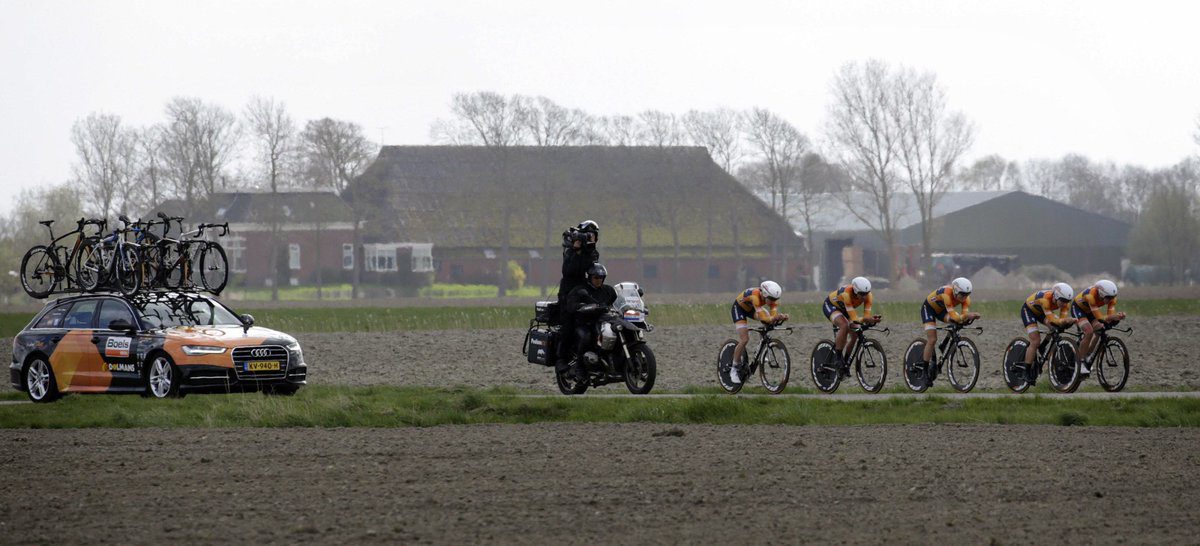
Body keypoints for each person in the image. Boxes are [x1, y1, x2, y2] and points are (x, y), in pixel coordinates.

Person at [555, 220, 600, 365]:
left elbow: (592, 269)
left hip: (584, 292)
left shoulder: (592, 253)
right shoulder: (570, 252)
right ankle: (562, 360)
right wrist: (577, 250)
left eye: (593, 235)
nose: (590, 238)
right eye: (588, 235)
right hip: (568, 294)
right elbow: (569, 271)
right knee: (568, 326)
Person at [564, 263, 617, 381]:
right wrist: (582, 307)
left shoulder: (608, 290)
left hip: (603, 320)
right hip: (584, 323)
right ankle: (580, 368)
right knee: (586, 337)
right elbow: (571, 306)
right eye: (596, 277)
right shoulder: (580, 290)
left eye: (601, 277)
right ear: (590, 277)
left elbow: (617, 301)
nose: (599, 280)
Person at [728, 280, 789, 383]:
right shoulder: (755, 297)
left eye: (775, 299)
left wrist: (779, 317)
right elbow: (764, 318)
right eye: (772, 299)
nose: (773, 301)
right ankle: (733, 368)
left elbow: (772, 317)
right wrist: (774, 318)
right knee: (744, 339)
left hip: (751, 309)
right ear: (764, 294)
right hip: (739, 309)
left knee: (768, 322)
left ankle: (762, 349)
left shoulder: (772, 300)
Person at [918, 277, 981, 368]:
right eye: (962, 294)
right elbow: (956, 317)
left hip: (942, 311)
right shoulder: (946, 294)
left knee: (957, 322)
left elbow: (962, 317)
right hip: (929, 309)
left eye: (967, 294)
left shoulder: (966, 299)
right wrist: (967, 316)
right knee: (932, 339)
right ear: (955, 291)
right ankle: (924, 368)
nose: (964, 297)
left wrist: (970, 317)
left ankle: (944, 344)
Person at [822, 276, 880, 368]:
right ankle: (838, 358)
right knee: (844, 325)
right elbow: (854, 319)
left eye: (866, 293)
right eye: (862, 294)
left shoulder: (869, 296)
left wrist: (871, 320)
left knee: (855, 333)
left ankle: (845, 364)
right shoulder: (847, 294)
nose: (864, 297)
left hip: (845, 309)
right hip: (831, 306)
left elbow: (866, 316)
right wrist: (866, 320)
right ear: (855, 291)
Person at [1072, 279, 1125, 375]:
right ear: (1101, 294)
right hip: (1078, 309)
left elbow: (1109, 317)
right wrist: (1113, 317)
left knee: (1100, 329)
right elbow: (1100, 318)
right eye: (1108, 298)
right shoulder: (1091, 296)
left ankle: (1087, 355)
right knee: (1089, 332)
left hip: (1090, 311)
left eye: (1112, 297)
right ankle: (1080, 362)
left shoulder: (1112, 299)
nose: (1110, 300)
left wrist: (1117, 317)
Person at [1018, 282, 1075, 370]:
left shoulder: (1065, 304)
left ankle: (1043, 346)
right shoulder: (1045, 300)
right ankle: (1026, 369)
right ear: (1056, 296)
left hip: (1042, 312)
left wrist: (1068, 322)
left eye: (1067, 301)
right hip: (1029, 311)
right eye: (1063, 301)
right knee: (1035, 341)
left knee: (1056, 328)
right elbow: (1053, 320)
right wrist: (1066, 321)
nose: (1064, 304)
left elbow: (1061, 321)